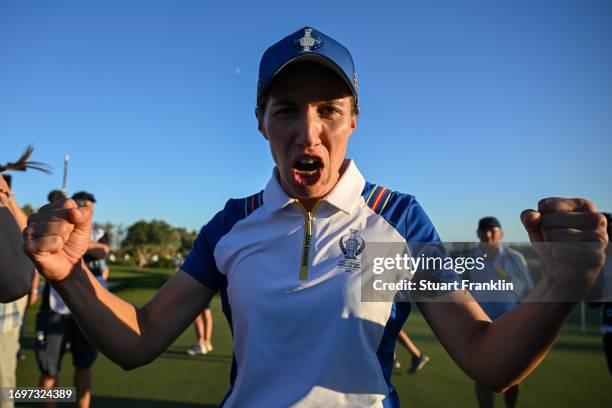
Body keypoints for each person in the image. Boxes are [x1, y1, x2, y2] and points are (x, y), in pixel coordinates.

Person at [22, 27, 608, 407]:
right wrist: (68, 273)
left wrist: (560, 285)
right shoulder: (232, 226)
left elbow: (488, 359)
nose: (309, 131)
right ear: (260, 122)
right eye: (286, 111)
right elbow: (142, 340)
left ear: (355, 119)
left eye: (329, 109)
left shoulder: (399, 220)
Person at [34, 191, 109, 408]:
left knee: (84, 365)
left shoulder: (99, 232)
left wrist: (80, 241)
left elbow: (102, 251)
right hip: (55, 310)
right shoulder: (60, 227)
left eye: (92, 208)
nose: (89, 212)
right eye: (85, 207)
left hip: (86, 312)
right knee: (49, 370)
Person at [465, 217, 534, 408]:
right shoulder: (470, 258)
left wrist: (509, 278)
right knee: (482, 374)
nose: (488, 235)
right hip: (481, 323)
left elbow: (528, 291)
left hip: (510, 322)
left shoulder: (514, 258)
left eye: (492, 230)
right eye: (484, 230)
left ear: (500, 233)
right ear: (478, 233)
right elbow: (463, 289)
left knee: (512, 373)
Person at [0, 174, 36, 408]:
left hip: (5, 317)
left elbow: (31, 235)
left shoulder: (8, 214)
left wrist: (8, 200)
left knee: (4, 382)